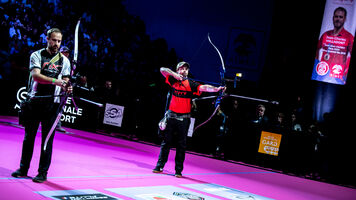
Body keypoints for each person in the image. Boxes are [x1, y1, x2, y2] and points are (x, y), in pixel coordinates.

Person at [11, 28, 72, 183]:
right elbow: (36, 76)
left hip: (52, 105)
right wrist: (55, 81)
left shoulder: (64, 61)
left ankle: (42, 173)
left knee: (47, 141)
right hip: (34, 101)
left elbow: (65, 81)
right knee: (28, 137)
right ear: (47, 39)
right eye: (53, 40)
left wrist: (67, 86)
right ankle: (23, 168)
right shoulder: (36, 55)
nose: (56, 44)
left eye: (59, 41)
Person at [153, 61, 226, 177]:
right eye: (181, 68)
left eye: (186, 69)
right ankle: (159, 166)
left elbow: (204, 87)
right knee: (166, 143)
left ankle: (178, 170)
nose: (184, 70)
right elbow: (162, 69)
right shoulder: (173, 80)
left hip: (184, 119)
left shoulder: (191, 84)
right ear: (178, 70)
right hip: (171, 117)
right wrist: (174, 74)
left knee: (181, 145)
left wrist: (217, 89)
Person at [315, 7, 354, 83]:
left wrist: (346, 72)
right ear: (333, 18)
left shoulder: (349, 37)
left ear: (345, 19)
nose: (338, 19)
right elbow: (317, 49)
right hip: (322, 74)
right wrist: (316, 66)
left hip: (338, 77)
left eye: (341, 17)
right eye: (336, 16)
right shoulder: (325, 35)